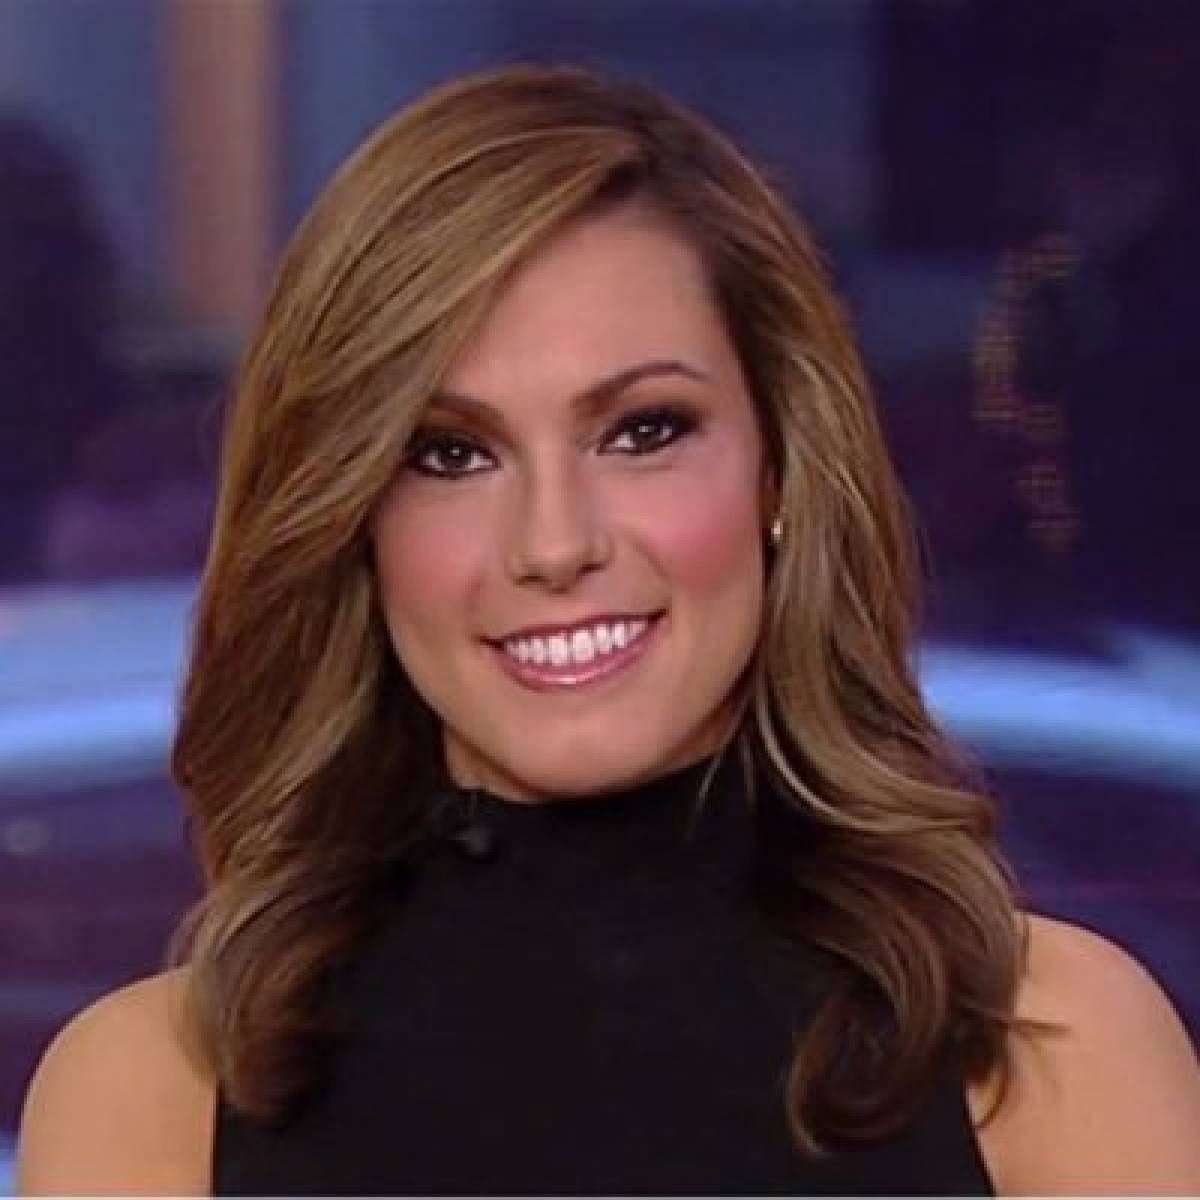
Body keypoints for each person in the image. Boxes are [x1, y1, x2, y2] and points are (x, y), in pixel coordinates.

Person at [15, 64, 1200, 1195]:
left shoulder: (1051, 1051)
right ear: (353, 522)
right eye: (450, 453)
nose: (553, 543)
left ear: (781, 471)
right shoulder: (156, 1095)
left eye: (643, 431)